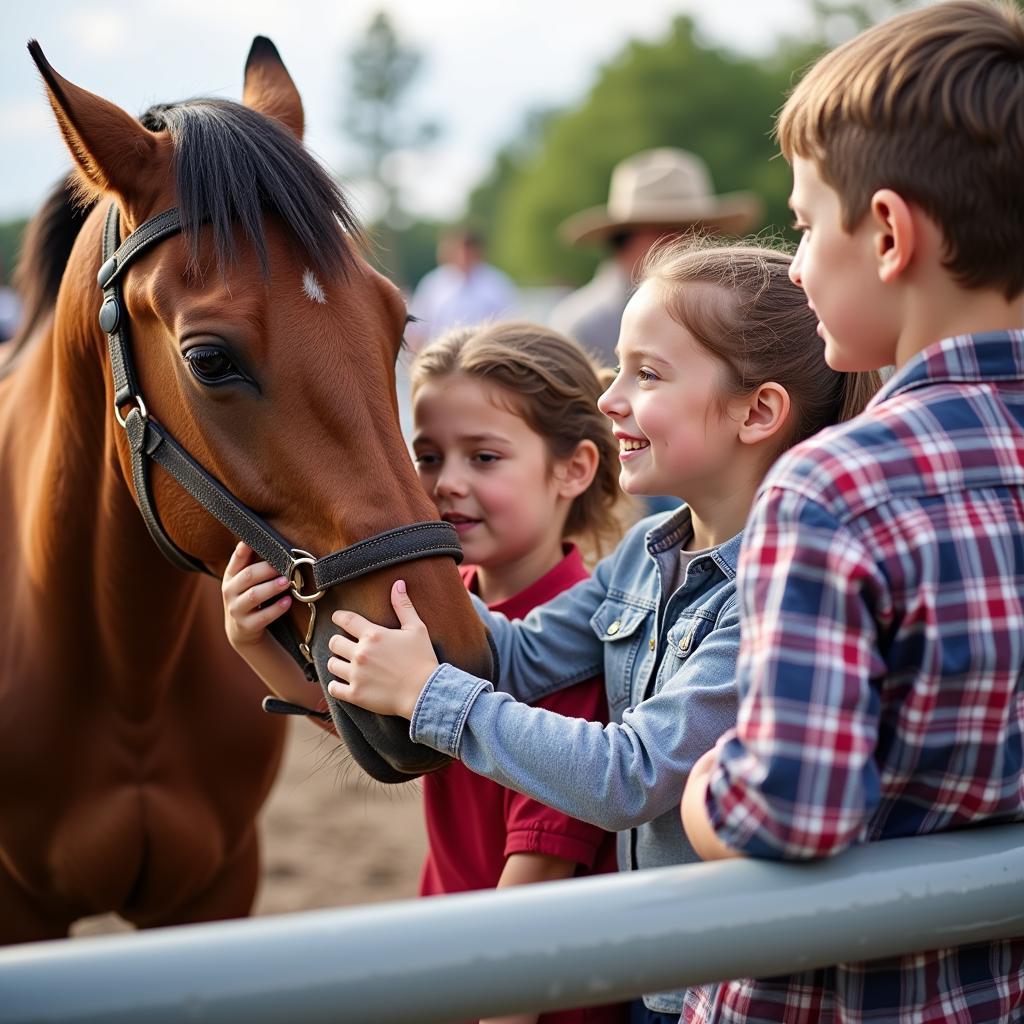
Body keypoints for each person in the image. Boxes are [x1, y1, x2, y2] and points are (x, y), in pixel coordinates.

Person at [322, 240, 880, 1023]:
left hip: (722, 984)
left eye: (646, 374)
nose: (611, 397)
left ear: (757, 411)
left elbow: (630, 775)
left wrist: (431, 695)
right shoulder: (640, 562)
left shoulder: (774, 592)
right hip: (657, 976)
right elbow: (518, 653)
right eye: (619, 368)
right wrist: (378, 564)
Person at [679, 3, 1024, 1022]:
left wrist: (703, 787)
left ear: (884, 232)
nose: (791, 263)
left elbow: (791, 811)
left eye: (800, 221)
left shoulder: (834, 487)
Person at [224, 320, 630, 1024]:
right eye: (428, 455)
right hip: (450, 957)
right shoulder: (450, 603)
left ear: (574, 469)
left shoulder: (572, 649)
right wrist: (252, 639)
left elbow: (532, 899)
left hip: (526, 992)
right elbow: (360, 719)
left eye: (485, 457)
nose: (447, 484)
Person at [548, 148, 761, 369]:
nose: (686, 243)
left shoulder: (731, 313)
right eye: (667, 232)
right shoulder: (582, 327)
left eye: (697, 231)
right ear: (624, 238)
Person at [405, 227, 517, 351]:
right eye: (460, 249)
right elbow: (417, 330)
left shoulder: (497, 284)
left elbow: (509, 329)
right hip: (441, 359)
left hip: (485, 357)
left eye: (469, 250)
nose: (464, 255)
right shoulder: (433, 284)